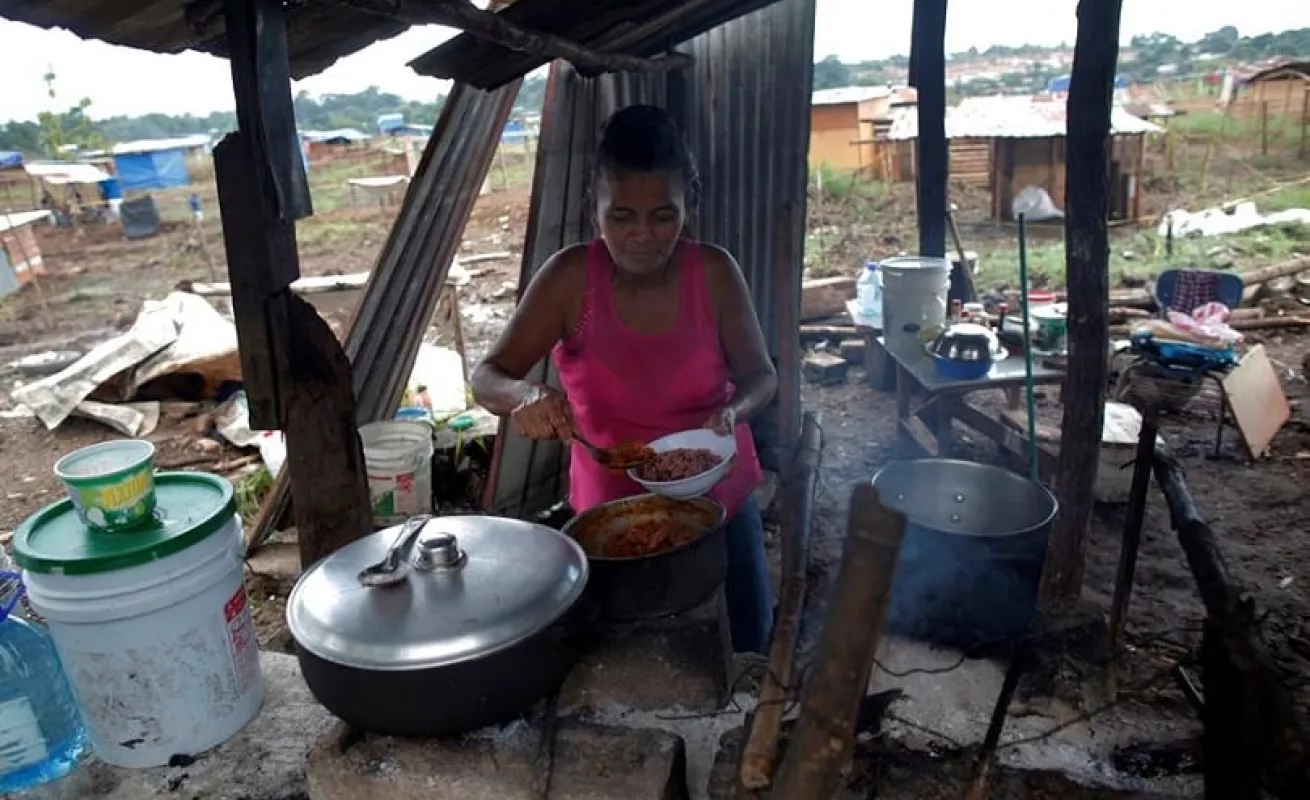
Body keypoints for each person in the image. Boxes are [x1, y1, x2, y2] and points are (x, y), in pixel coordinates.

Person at [471, 104, 778, 653]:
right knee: (626, 659)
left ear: (691, 205)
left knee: (748, 649)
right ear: (595, 210)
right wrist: (526, 395)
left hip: (721, 500)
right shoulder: (570, 280)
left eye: (663, 215)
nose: (642, 235)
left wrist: (735, 411)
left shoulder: (713, 272)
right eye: (622, 216)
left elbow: (761, 376)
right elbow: (488, 376)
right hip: (613, 517)